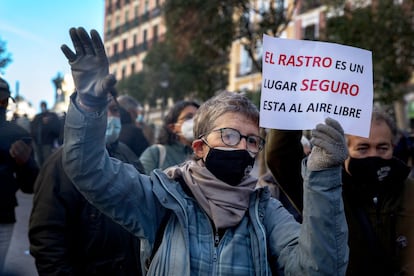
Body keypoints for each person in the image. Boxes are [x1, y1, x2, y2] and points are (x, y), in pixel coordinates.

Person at [59, 27, 349, 275]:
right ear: (200, 147)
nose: (242, 146)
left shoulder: (265, 211)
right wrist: (88, 105)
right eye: (229, 135)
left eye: (252, 140)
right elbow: (87, 169)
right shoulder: (161, 198)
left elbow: (318, 269)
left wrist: (322, 176)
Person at [266, 109, 414, 275]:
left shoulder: (409, 190)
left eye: (382, 148)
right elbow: (282, 154)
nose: (374, 155)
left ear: (393, 147)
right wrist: (293, 102)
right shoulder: (323, 192)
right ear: (344, 149)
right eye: (363, 148)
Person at [29, 97, 144, 276]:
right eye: (98, 109)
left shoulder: (127, 155)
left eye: (114, 109)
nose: (110, 116)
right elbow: (47, 239)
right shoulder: (60, 163)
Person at [0, 77, 39, 273]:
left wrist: (25, 163)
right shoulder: (15, 133)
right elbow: (30, 184)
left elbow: (30, 183)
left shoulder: (16, 135)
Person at [139, 100, 200, 174]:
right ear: (173, 127)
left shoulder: (209, 152)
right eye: (188, 117)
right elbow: (141, 182)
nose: (196, 121)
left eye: (199, 116)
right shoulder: (155, 153)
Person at [30, 100, 61, 166]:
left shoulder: (51, 116)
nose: (43, 107)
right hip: (38, 143)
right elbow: (33, 127)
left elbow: (57, 128)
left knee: (47, 161)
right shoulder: (38, 117)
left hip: (47, 143)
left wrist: (49, 123)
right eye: (42, 106)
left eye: (43, 106)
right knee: (39, 161)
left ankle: (47, 175)